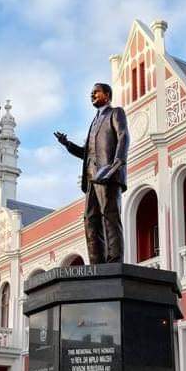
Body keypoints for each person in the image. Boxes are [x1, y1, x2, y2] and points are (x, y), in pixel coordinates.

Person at [54, 83, 129, 263]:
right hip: (91, 178)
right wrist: (68, 144)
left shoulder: (115, 113)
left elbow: (123, 136)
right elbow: (86, 154)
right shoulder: (94, 122)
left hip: (108, 174)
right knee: (90, 220)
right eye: (91, 93)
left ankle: (114, 261)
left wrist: (118, 162)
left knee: (110, 216)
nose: (92, 95)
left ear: (107, 95)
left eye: (96, 92)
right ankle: (96, 264)